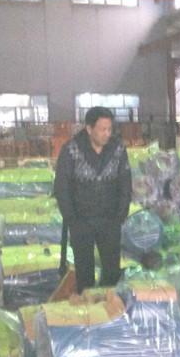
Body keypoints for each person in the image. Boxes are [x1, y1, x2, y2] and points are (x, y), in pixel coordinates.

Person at [54, 107, 132, 293]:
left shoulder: (118, 149)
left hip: (110, 220)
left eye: (109, 129)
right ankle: (88, 305)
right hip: (81, 221)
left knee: (112, 271)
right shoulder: (71, 150)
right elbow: (62, 187)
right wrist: (72, 219)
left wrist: (120, 215)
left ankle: (108, 304)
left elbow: (125, 184)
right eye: (102, 129)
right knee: (84, 274)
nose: (107, 134)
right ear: (89, 129)